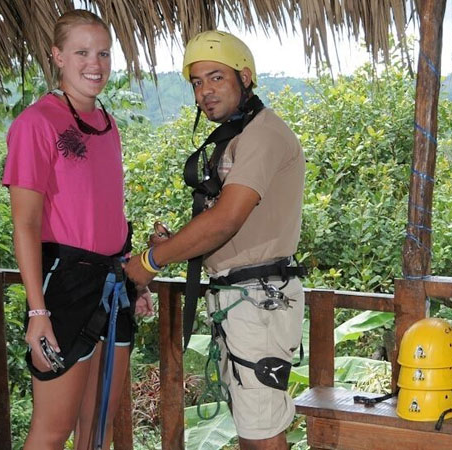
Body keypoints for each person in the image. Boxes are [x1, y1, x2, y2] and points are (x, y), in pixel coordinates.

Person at [123, 30, 305, 450]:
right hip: (242, 299)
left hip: (257, 301)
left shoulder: (262, 134)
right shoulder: (238, 135)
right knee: (252, 426)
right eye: (196, 82)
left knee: (261, 433)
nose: (205, 91)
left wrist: (152, 259)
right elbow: (224, 223)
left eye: (215, 77)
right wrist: (180, 242)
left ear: (245, 76)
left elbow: (225, 220)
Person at [3, 9, 153, 449]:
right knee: (52, 432)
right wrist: (37, 313)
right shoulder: (37, 123)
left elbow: (107, 213)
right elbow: (25, 225)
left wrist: (133, 279)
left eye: (104, 53)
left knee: (98, 428)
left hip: (113, 285)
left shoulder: (108, 127)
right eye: (82, 52)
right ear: (58, 57)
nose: (96, 63)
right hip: (63, 286)